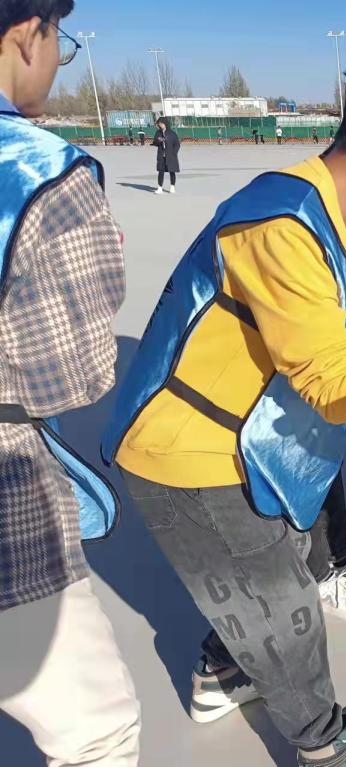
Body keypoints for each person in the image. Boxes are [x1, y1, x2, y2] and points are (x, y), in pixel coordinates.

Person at [101, 52, 346, 767]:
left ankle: (223, 669)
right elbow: (335, 387)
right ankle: (324, 747)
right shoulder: (281, 223)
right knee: (287, 611)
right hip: (194, 453)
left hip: (258, 442)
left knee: (267, 584)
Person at [0, 2, 142, 764]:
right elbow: (72, 375)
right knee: (97, 730)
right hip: (9, 495)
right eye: (62, 40)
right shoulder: (39, 169)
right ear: (29, 33)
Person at [152, 116, 180, 194]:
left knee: (172, 171)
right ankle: (160, 188)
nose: (160, 125)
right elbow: (155, 142)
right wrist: (159, 141)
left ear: (165, 123)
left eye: (161, 123)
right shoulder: (158, 133)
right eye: (159, 124)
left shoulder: (172, 133)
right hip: (161, 155)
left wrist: (174, 153)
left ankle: (172, 187)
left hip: (171, 156)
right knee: (161, 171)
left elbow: (177, 144)